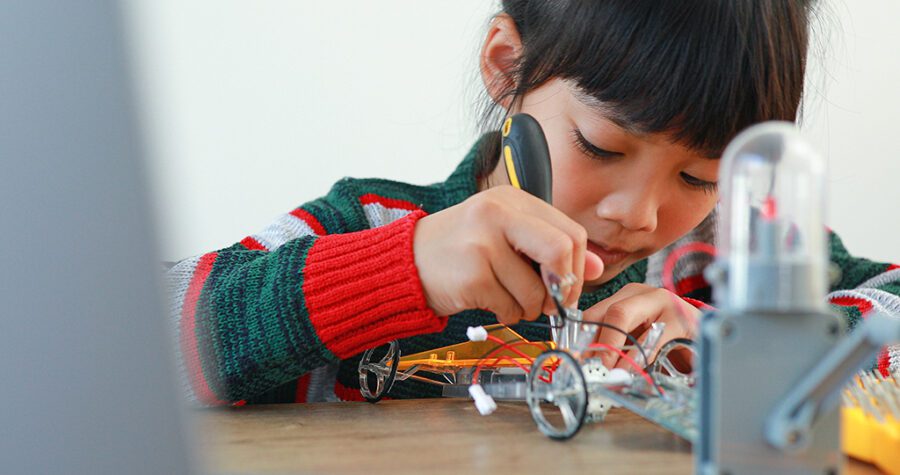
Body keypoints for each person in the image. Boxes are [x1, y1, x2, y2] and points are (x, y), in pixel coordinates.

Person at [166, 0, 899, 406]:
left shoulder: (723, 254)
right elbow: (131, 347)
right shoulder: (373, 225)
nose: (640, 214)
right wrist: (400, 272)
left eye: (700, 176)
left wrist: (753, 343)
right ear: (506, 66)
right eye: (603, 146)